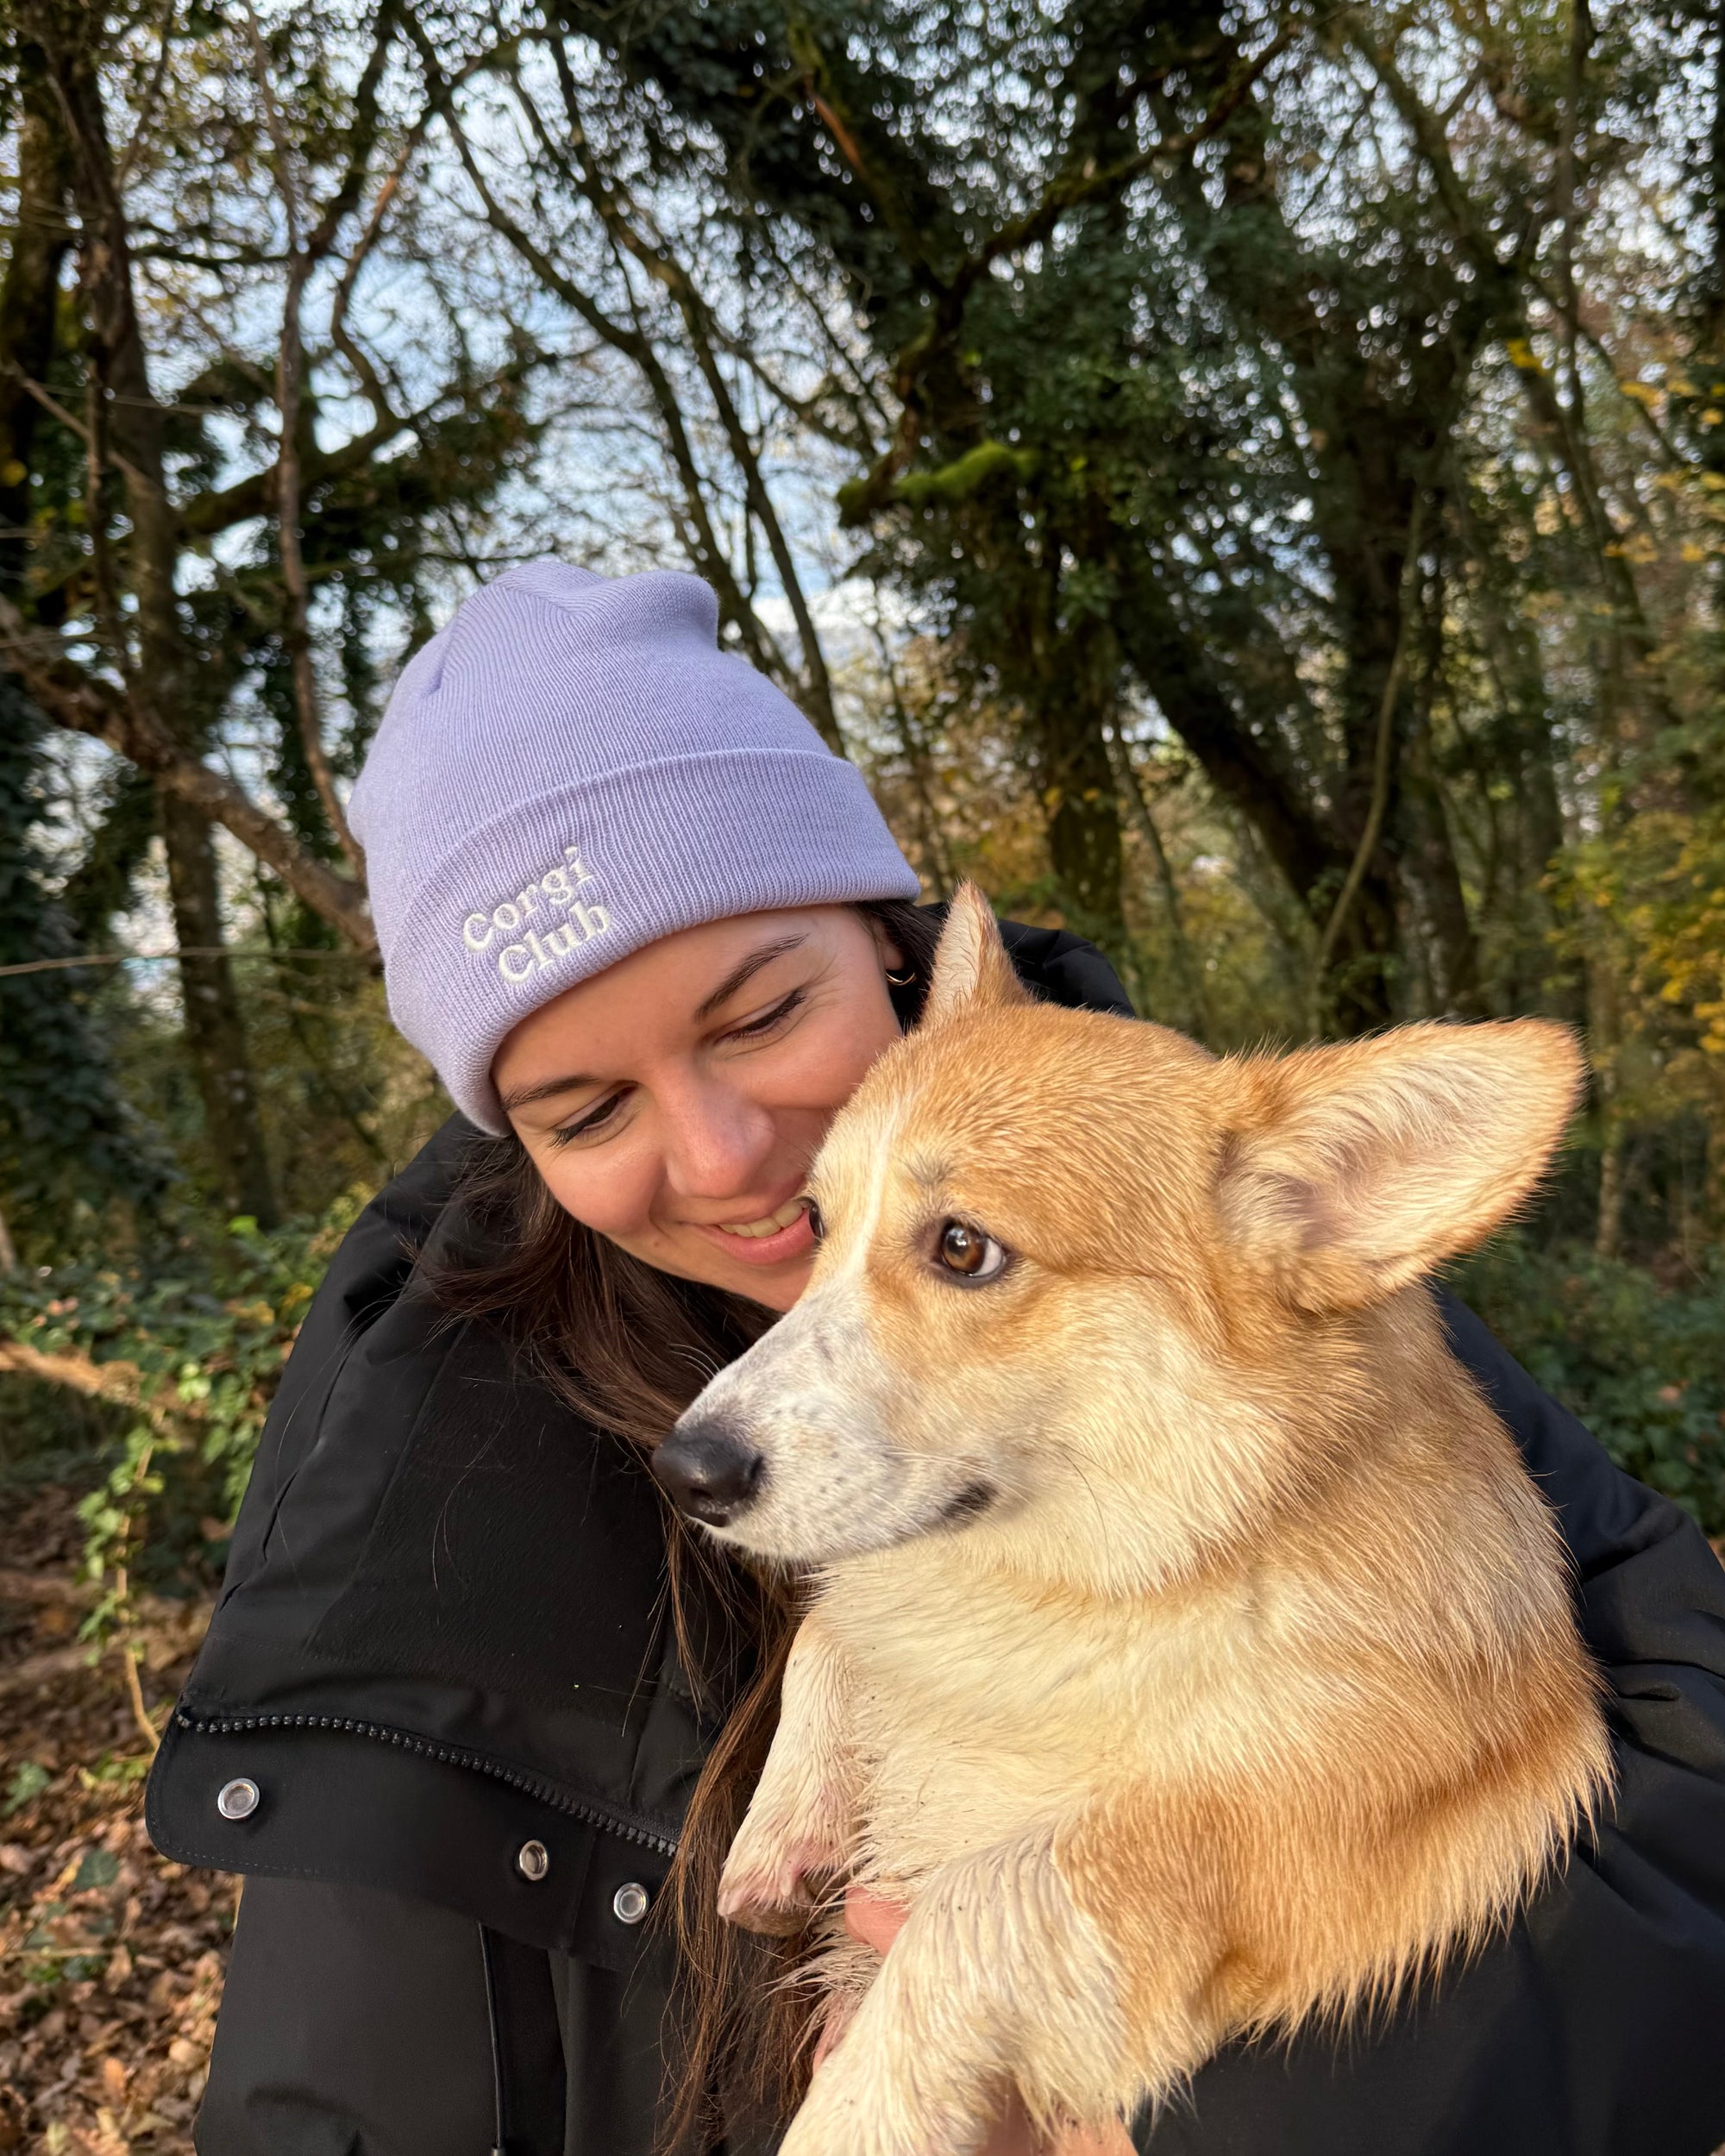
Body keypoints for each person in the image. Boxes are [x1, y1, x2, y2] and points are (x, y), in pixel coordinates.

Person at [147, 561, 1725, 2156]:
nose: (726, 1159)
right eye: (588, 1110)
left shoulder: (1257, 1264)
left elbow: (1680, 1793)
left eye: (762, 1013)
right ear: (515, 1143)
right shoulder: (398, 1495)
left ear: (895, 949)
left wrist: (1238, 2120)